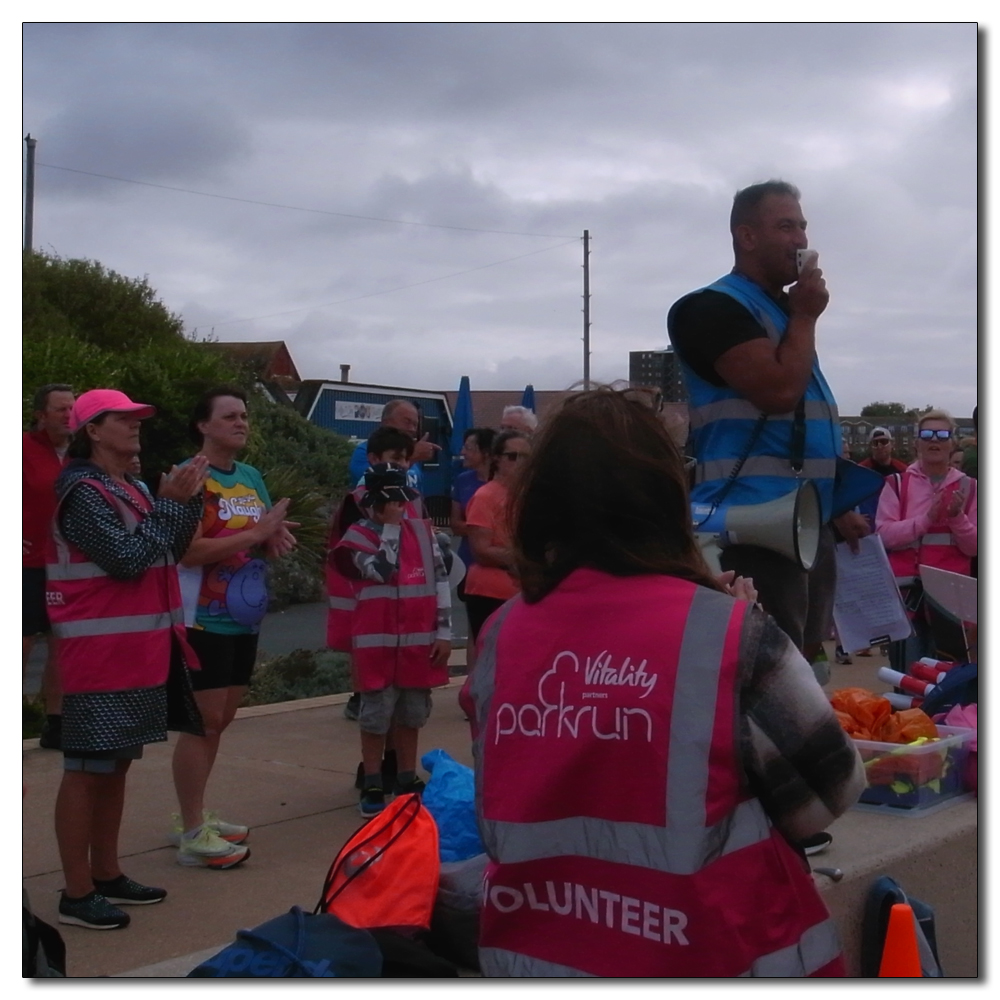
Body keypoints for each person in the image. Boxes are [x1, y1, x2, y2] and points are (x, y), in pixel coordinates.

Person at [469, 388, 865, 977]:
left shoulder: (500, 634)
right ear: (664, 495)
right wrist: (744, 627)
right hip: (708, 956)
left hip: (537, 957)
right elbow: (830, 792)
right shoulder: (728, 633)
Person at [667, 179, 868, 670]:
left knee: (806, 664)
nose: (801, 240)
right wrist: (804, 317)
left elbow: (801, 423)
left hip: (805, 519)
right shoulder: (709, 308)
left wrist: (834, 500)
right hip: (752, 524)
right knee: (769, 671)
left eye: (802, 226)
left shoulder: (779, 314)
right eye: (785, 226)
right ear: (746, 236)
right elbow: (778, 393)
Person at [46, 389, 207, 930]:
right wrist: (168, 505)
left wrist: (186, 501)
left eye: (139, 418)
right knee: (87, 770)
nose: (137, 425)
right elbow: (127, 559)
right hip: (99, 654)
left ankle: (107, 874)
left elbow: (170, 548)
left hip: (135, 652)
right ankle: (76, 892)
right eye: (125, 419)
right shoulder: (82, 492)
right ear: (93, 431)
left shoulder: (131, 487)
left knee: (114, 767)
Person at [170, 387, 296, 868]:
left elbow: (262, 532)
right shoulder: (192, 478)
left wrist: (275, 535)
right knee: (202, 724)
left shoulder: (249, 477)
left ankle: (197, 814)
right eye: (229, 416)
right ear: (203, 426)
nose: (241, 423)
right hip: (202, 618)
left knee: (220, 721)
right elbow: (189, 551)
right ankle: (190, 831)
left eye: (244, 415)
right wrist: (257, 533)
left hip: (244, 617)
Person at [333, 464, 452, 817]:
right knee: (376, 715)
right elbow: (379, 570)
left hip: (418, 644)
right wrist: (388, 529)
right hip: (376, 647)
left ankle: (405, 776)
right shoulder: (356, 537)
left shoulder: (423, 534)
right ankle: (372, 781)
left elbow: (441, 581)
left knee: (412, 713)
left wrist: (444, 632)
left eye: (404, 502)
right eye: (394, 503)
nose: (402, 509)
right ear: (374, 503)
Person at [334, 426, 423, 726]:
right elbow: (364, 563)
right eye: (396, 458)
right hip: (369, 600)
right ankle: (360, 697)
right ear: (372, 458)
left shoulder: (411, 497)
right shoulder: (358, 501)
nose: (403, 465)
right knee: (372, 678)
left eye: (407, 459)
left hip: (405, 602)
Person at [875, 409, 977, 669]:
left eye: (942, 435)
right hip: (908, 599)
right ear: (917, 442)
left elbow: (975, 547)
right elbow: (884, 536)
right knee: (908, 680)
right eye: (927, 434)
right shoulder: (896, 483)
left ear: (952, 443)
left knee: (949, 683)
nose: (935, 440)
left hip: (952, 602)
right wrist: (926, 520)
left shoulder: (971, 488)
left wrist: (956, 518)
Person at [24, 383, 75, 749]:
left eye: (72, 407)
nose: (68, 414)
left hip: (67, 566)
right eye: (60, 409)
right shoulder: (20, 449)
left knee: (62, 643)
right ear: (41, 415)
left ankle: (55, 722)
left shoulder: (82, 456)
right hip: (25, 566)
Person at [462, 430, 531, 645]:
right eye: (513, 456)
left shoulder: (525, 496)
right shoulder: (486, 496)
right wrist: (521, 558)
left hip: (520, 589)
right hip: (489, 591)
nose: (519, 463)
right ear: (497, 459)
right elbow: (481, 550)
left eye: (526, 457)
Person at [347, 399, 440, 491]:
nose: (412, 429)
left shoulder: (410, 453)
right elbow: (372, 481)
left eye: (415, 425)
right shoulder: (364, 451)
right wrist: (413, 456)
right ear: (386, 422)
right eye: (407, 422)